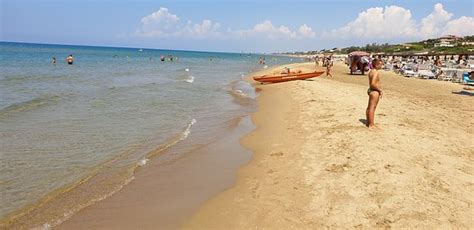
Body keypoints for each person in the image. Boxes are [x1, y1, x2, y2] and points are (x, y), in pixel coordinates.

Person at [366, 58, 384, 129]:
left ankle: (368, 122)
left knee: (369, 107)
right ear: (376, 65)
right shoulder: (375, 72)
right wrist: (380, 90)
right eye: (380, 64)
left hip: (371, 91)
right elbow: (373, 83)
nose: (381, 66)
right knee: (372, 108)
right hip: (374, 91)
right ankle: (371, 124)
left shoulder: (371, 71)